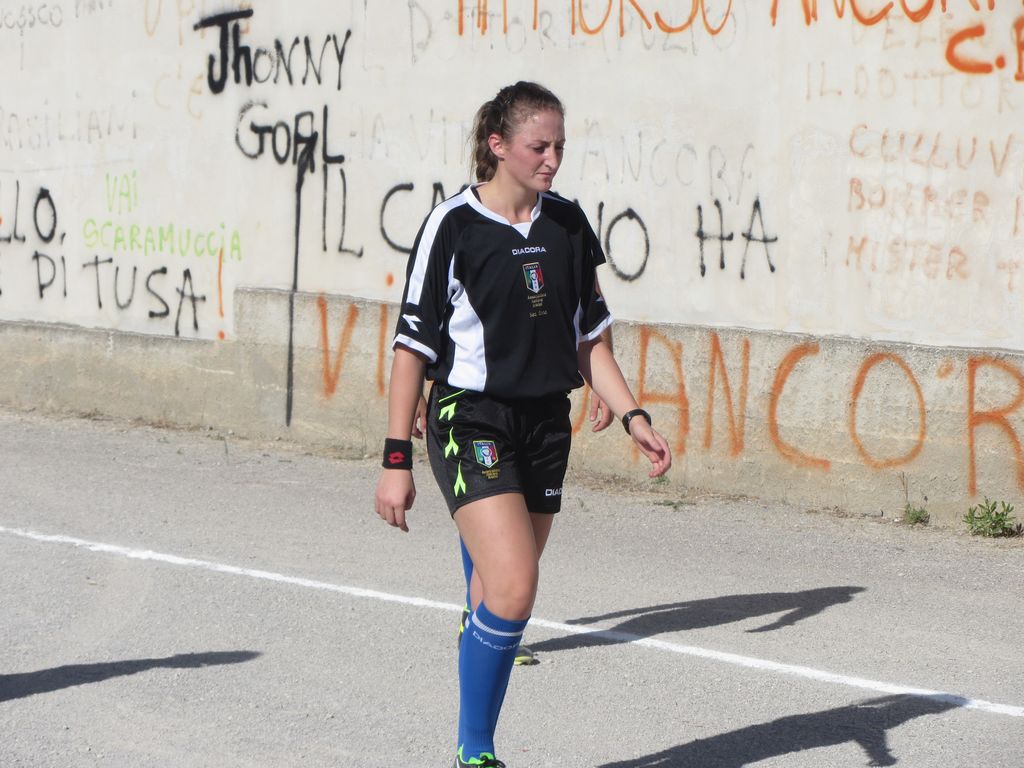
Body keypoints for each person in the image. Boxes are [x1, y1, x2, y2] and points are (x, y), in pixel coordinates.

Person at [374, 81, 671, 768]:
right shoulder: (452, 226)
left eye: (560, 146)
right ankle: (475, 753)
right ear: (499, 145)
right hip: (469, 415)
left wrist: (633, 413)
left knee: (499, 591)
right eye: (539, 146)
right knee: (513, 586)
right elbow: (411, 347)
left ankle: (474, 693)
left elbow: (589, 336)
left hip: (545, 423)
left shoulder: (567, 224)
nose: (552, 159)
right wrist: (394, 461)